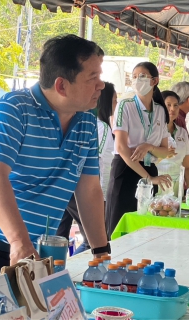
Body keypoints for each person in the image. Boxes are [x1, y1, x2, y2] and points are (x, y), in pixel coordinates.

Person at [0, 35, 111, 275]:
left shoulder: (86, 122)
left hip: (30, 251)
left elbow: (89, 190)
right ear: (61, 85)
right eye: (92, 78)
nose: (101, 85)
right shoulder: (14, 108)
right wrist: (19, 242)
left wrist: (101, 253)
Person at [105, 62, 173, 238]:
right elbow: (121, 147)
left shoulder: (160, 110)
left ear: (154, 81)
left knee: (146, 230)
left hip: (150, 169)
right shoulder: (125, 105)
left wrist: (149, 147)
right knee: (118, 228)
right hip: (126, 169)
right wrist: (149, 178)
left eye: (142, 76)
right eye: (134, 76)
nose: (137, 80)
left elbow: (165, 151)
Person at [56, 82, 117, 255]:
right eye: (114, 100)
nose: (116, 105)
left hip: (71, 188)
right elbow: (93, 166)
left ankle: (58, 270)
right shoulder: (101, 127)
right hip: (80, 191)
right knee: (91, 239)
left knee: (59, 237)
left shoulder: (87, 122)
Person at [156, 90, 189, 196]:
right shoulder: (153, 131)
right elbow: (145, 162)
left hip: (177, 186)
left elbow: (188, 166)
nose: (172, 109)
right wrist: (162, 154)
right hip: (157, 183)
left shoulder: (182, 132)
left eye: (176, 105)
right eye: (168, 105)